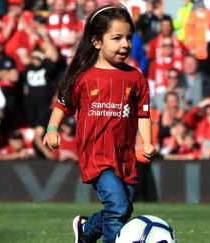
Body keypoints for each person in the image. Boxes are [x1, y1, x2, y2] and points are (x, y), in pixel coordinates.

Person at [42, 5, 155, 243]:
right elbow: (62, 105)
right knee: (117, 206)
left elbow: (143, 113)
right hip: (97, 154)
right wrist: (52, 129)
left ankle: (86, 230)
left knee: (122, 210)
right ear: (96, 42)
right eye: (117, 38)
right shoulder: (83, 77)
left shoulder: (136, 78)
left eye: (128, 38)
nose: (125, 44)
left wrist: (148, 142)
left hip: (124, 156)